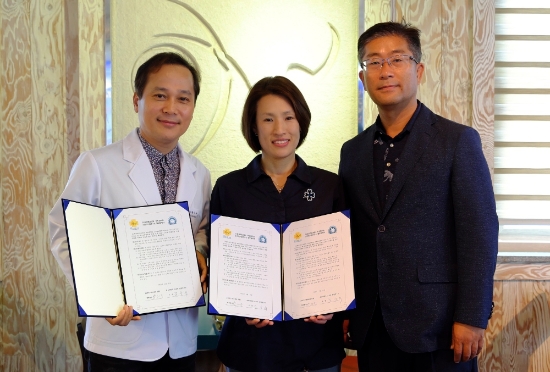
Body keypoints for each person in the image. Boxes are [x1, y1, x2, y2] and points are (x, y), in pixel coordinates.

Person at [339, 21, 498, 371]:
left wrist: (472, 317)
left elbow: (479, 235)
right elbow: (349, 238)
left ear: (419, 69)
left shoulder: (457, 141)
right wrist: (346, 308)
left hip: (439, 326)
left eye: (397, 59)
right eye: (373, 62)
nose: (385, 70)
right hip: (373, 324)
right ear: (362, 79)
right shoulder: (352, 151)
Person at [49, 52, 211, 372]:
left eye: (183, 98)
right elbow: (63, 232)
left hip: (180, 342)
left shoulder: (199, 173)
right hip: (120, 340)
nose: (171, 108)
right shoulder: (97, 163)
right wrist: (101, 297)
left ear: (192, 107)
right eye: (160, 95)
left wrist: (201, 252)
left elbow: (201, 228)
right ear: (137, 100)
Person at [212, 76, 347, 372]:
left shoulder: (330, 186)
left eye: (288, 117)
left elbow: (344, 262)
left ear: (301, 122)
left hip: (316, 344)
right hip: (250, 345)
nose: (279, 129)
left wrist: (332, 305)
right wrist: (239, 305)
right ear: (254, 127)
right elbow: (221, 266)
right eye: (268, 119)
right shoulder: (229, 188)